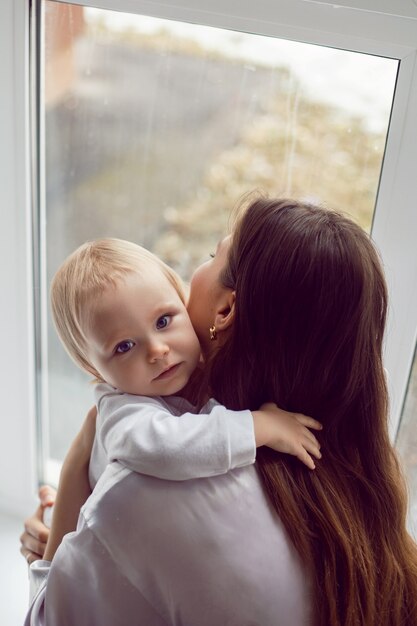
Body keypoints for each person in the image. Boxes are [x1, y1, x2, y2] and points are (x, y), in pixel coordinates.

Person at [23, 197, 417, 626]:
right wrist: (96, 550)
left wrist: (68, 520)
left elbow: (46, 618)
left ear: (225, 310)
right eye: (123, 346)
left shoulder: (144, 491)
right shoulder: (341, 482)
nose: (156, 349)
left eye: (213, 254)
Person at [42, 237, 322, 562]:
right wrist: (260, 426)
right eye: (124, 347)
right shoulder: (121, 411)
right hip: (100, 563)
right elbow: (166, 448)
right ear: (94, 367)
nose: (157, 350)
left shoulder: (197, 371)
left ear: (182, 300)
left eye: (163, 321)